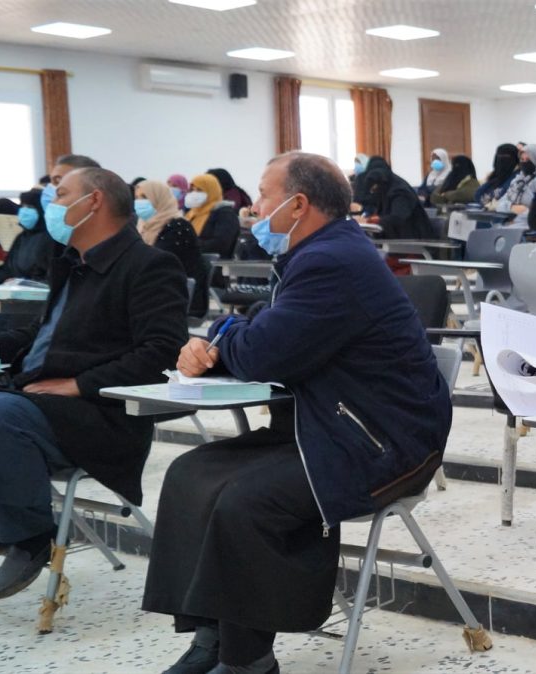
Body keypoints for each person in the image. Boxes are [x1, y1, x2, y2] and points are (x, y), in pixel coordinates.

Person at [142, 152, 452, 674]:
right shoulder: (315, 254)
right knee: (191, 474)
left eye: (264, 196)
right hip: (331, 422)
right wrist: (222, 340)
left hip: (383, 443)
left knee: (245, 501)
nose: (254, 207)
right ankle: (211, 635)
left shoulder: (333, 262)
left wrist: (221, 341)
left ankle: (248, 660)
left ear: (298, 205)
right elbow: (262, 326)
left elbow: (265, 351)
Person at [0, 167, 186, 600]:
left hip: (100, 413)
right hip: (40, 401)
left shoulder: (149, 265)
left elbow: (162, 353)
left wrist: (80, 384)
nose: (51, 204)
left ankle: (30, 535)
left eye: (61, 194)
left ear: (93, 201)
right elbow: (41, 337)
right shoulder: (73, 264)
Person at [135, 179, 209, 318]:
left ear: (159, 198)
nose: (139, 202)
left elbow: (156, 262)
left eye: (144, 197)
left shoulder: (178, 226)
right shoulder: (143, 226)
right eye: (137, 197)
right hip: (153, 291)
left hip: (178, 296)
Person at [0, 189, 59, 284]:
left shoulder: (51, 238)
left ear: (41, 210)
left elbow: (50, 275)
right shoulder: (22, 237)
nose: (24, 210)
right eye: (22, 206)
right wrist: (3, 280)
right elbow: (6, 268)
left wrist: (23, 283)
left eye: (30, 207)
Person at [359, 165, 435, 240]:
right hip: (398, 240)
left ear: (382, 183)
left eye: (374, 189)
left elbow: (398, 218)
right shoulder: (388, 190)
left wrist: (373, 220)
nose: (374, 193)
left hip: (415, 239)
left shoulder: (401, 192)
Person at [495, 143, 536, 226]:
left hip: (532, 226)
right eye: (522, 159)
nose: (525, 163)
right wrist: (511, 207)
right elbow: (499, 204)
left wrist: (523, 212)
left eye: (528, 160)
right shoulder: (518, 179)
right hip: (512, 224)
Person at [185, 174, 241, 257]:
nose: (194, 193)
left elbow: (220, 244)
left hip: (215, 263)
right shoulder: (191, 214)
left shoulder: (225, 214)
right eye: (192, 190)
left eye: (199, 190)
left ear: (211, 191)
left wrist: (189, 245)